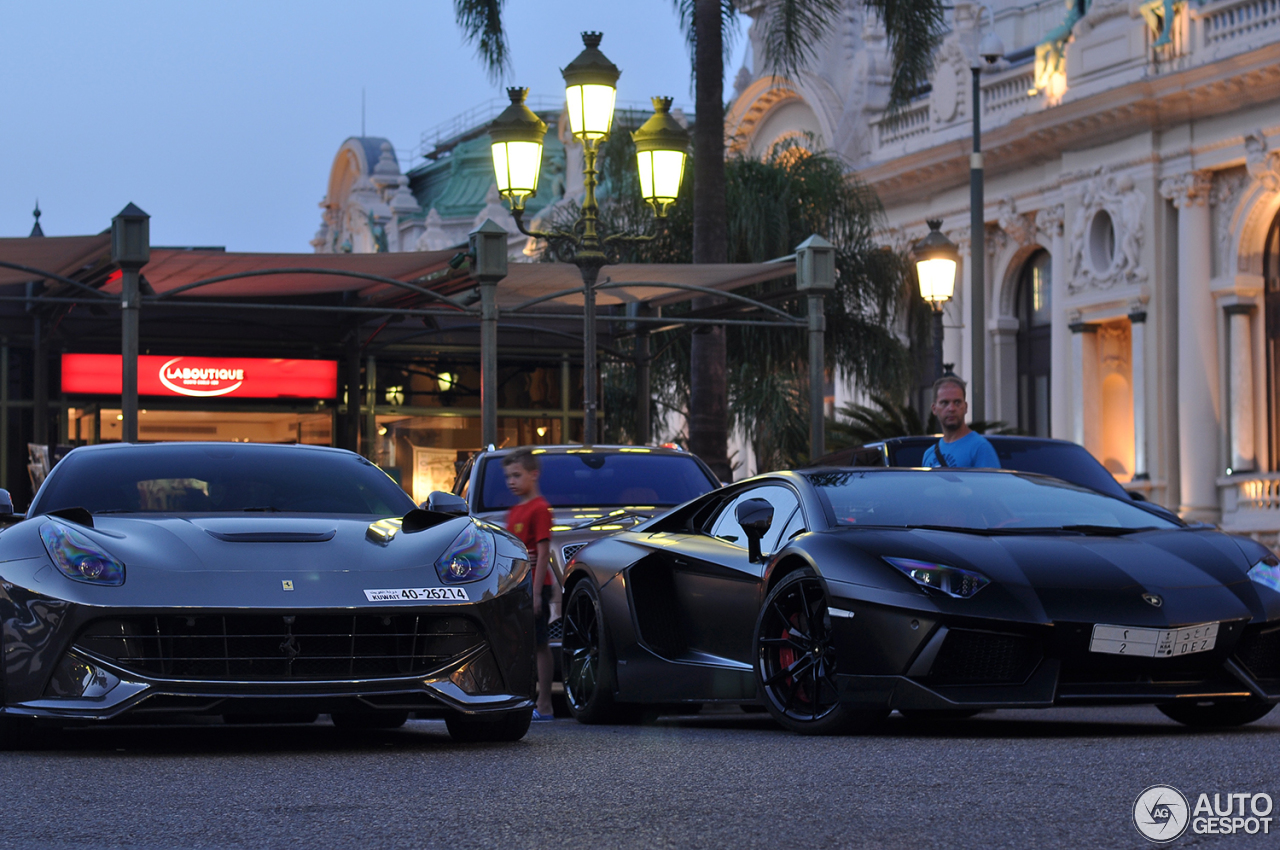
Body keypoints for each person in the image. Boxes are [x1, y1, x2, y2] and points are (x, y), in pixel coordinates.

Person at [503, 448, 556, 721]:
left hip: (535, 586)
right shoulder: (514, 511)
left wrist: (536, 593)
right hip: (517, 587)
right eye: (508, 477)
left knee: (539, 643)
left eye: (517, 475)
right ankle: (522, 698)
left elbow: (544, 551)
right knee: (518, 644)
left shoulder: (539, 509)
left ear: (533, 475)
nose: (511, 481)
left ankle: (544, 702)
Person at [920, 375, 1001, 469]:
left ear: (965, 407)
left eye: (957, 402)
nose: (951, 408)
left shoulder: (980, 448)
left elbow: (991, 483)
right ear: (934, 409)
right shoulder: (929, 454)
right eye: (945, 403)